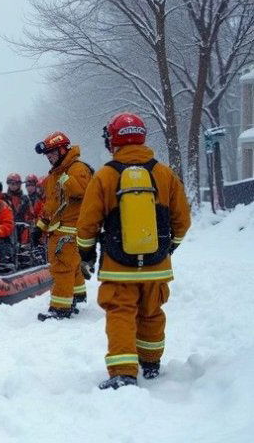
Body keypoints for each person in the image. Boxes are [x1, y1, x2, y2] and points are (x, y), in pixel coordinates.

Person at [76, 112, 190, 389]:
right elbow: (182, 221)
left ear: (113, 140)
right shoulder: (164, 174)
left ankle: (123, 373)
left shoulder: (104, 176)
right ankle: (151, 364)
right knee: (152, 313)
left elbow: (88, 224)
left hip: (118, 267)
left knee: (120, 314)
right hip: (156, 265)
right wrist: (167, 248)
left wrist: (87, 255)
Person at [35, 131, 93, 321]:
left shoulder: (77, 169)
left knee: (62, 267)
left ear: (62, 150)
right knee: (72, 266)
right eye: (47, 154)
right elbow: (52, 205)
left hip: (71, 229)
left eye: (51, 153)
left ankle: (60, 308)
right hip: (60, 228)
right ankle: (76, 296)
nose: (49, 157)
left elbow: (82, 192)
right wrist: (40, 227)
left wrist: (64, 177)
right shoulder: (56, 174)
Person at [4, 173, 33, 241]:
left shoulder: (25, 199)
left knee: (24, 250)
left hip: (23, 230)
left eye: (16, 184)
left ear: (19, 184)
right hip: (9, 230)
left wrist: (31, 228)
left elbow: (31, 215)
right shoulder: (4, 198)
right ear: (8, 184)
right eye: (12, 184)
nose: (14, 186)